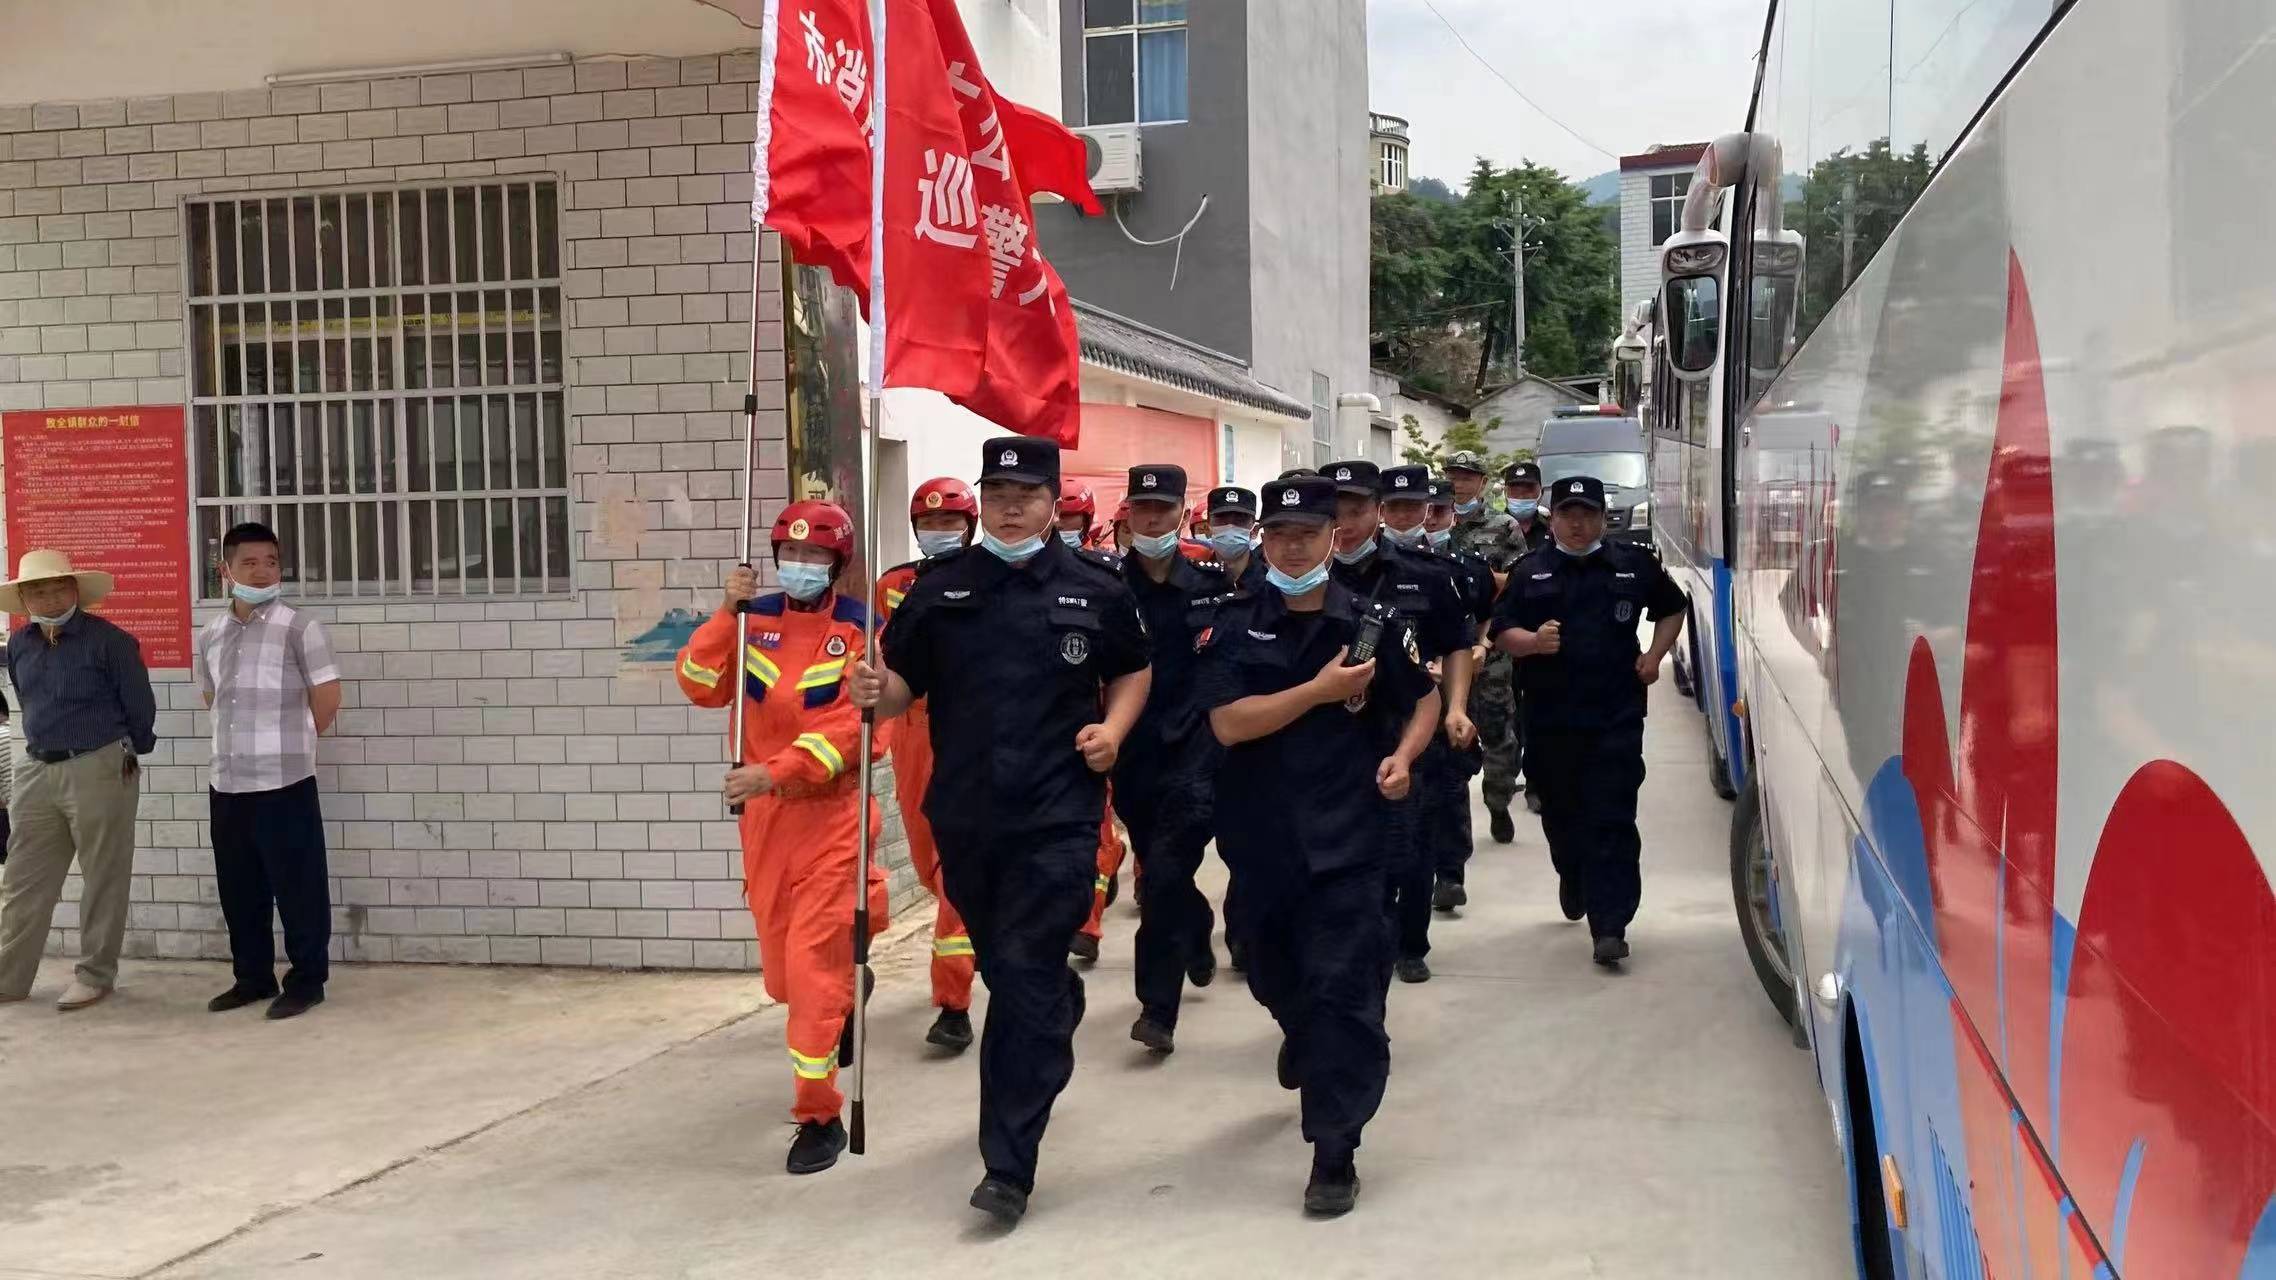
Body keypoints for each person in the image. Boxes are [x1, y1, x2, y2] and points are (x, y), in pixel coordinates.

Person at [850, 435, 1151, 1226]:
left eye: (1026, 493)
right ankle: (1058, 999)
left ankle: (1008, 1166)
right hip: (968, 816)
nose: (1010, 505)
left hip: (1058, 815)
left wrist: (1113, 728)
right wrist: (874, 691)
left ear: (1054, 500)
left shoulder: (1095, 587)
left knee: (1016, 985)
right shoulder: (939, 590)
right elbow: (898, 687)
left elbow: (1132, 667)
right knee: (1013, 971)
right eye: (997, 492)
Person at [1199, 473, 1440, 1217]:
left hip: (1351, 840)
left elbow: (1422, 698)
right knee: (1272, 970)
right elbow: (1228, 723)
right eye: (1280, 534)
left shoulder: (1369, 621)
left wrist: (1404, 758)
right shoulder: (1231, 622)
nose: (1292, 545)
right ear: (1264, 539)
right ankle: (1300, 1034)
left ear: (1333, 538)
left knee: (1343, 991)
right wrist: (1316, 693)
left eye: (1307, 533)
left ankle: (1335, 1150)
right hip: (1261, 840)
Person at [676, 500, 888, 1175]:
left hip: (830, 819)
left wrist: (777, 771)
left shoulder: (862, 633)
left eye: (815, 557)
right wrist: (722, 614)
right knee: (781, 979)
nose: (800, 567)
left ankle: (817, 1113)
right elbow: (699, 684)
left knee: (810, 970)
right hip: (766, 827)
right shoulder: (751, 619)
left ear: (837, 564)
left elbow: (862, 733)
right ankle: (849, 988)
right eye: (790, 556)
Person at [1490, 476, 1686, 965]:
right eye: (1567, 514)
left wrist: (1656, 656)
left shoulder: (1633, 565)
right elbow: (1501, 631)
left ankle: (1611, 924)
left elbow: (1672, 608)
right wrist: (1532, 643)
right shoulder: (1529, 570)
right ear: (1551, 518)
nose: (1577, 524)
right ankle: (1572, 874)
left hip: (1614, 715)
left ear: (1603, 517)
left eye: (1587, 514)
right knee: (1560, 811)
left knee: (1612, 815)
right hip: (1550, 717)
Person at [1324, 460, 1472, 984]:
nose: (1345, 522)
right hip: (1330, 738)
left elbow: (1458, 646)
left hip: (1409, 727)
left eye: (1357, 509)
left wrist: (1454, 707)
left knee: (1408, 845)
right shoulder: (1295, 578)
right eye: (1334, 510)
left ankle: (1409, 943)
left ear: (1378, 511)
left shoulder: (1422, 574)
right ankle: (1361, 940)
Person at [193, 523, 344, 1021]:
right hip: (228, 783)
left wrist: (294, 745)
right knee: (240, 888)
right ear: (226, 571)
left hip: (285, 783)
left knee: (298, 885)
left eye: (271, 561)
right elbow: (212, 697)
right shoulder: (211, 634)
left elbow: (327, 697)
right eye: (250, 562)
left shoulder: (299, 626)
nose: (262, 571)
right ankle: (252, 977)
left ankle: (307, 980)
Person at [0, 550, 157, 1011]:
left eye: (56, 588)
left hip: (99, 764)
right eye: (36, 590)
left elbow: (139, 707)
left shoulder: (110, 642)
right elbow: (25, 698)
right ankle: (9, 976)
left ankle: (95, 974)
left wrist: (127, 755)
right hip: (34, 768)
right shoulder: (22, 644)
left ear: (75, 591)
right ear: (23, 597)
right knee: (23, 877)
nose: (47, 597)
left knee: (103, 875)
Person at [1115, 463, 1231, 1055]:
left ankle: (1157, 1010)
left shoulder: (1213, 586)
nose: (1152, 519)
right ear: (1128, 515)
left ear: (1182, 513)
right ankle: (1196, 925)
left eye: (1162, 509)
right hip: (1131, 754)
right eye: (1142, 509)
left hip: (1198, 752)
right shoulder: (1106, 587)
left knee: (1161, 874)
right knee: (1161, 867)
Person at [876, 478, 980, 1054]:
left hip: (970, 727)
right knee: (928, 862)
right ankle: (978, 936)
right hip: (913, 729)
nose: (939, 534)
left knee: (955, 868)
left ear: (970, 527)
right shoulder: (894, 584)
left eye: (950, 524)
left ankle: (953, 1004)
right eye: (929, 524)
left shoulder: (990, 578)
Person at [1421, 481, 1498, 912]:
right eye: (1424, 509)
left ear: (1454, 512)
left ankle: (1450, 873)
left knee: (1451, 783)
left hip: (1456, 686)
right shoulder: (1386, 567)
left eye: (1438, 510)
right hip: (1406, 691)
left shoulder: (1468, 566)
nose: (1429, 519)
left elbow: (1486, 615)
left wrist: (1480, 648)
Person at [1446, 450, 1526, 842]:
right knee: (1448, 742)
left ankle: (1498, 800)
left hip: (1490, 647)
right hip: (1445, 647)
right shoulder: (1433, 521)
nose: (1458, 483)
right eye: (1453, 476)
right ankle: (1455, 843)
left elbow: (1519, 583)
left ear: (1482, 482)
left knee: (1497, 730)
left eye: (1466, 477)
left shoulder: (1503, 526)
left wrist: (1477, 576)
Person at [1203, 485, 1268, 592]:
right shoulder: (1193, 580)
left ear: (1254, 530)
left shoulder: (1270, 582)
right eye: (1221, 519)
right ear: (1208, 527)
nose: (1230, 527)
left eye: (1240, 520)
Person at [1056, 485, 1098, 549]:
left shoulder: (1097, 557)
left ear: (1086, 520)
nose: (1057, 522)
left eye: (1067, 516)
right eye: (1053, 514)